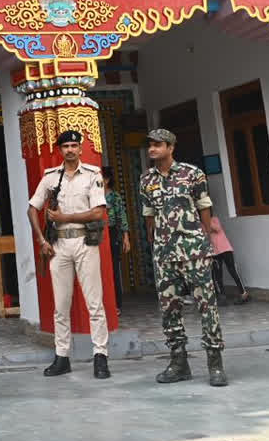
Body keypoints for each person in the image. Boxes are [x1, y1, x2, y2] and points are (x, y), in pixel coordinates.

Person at [139, 128, 228, 387]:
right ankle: (179, 362)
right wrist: (152, 242)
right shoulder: (146, 180)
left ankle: (215, 363)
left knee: (206, 306)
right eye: (150, 145)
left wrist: (207, 240)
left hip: (194, 251)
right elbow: (148, 214)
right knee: (169, 309)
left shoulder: (192, 174)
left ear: (170, 147)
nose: (152, 149)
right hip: (165, 254)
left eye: (157, 145)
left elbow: (204, 206)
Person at [26, 130, 111, 380]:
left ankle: (100, 356)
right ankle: (62, 356)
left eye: (75, 145)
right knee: (60, 306)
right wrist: (41, 240)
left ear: (81, 148)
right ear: (60, 150)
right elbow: (32, 208)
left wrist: (66, 217)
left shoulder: (93, 175)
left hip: (85, 242)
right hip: (59, 245)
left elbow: (98, 213)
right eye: (66, 146)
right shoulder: (51, 178)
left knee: (94, 304)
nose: (71, 150)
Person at [102, 166, 132, 316]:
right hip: (97, 234)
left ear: (106, 180)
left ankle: (116, 304)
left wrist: (125, 237)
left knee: (113, 269)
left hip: (112, 233)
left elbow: (122, 217)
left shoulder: (114, 197)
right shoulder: (92, 196)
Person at [208, 209, 250, 306]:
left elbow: (217, 228)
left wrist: (207, 222)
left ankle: (243, 294)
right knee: (217, 275)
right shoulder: (201, 224)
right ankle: (222, 297)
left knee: (233, 271)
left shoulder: (214, 219)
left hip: (226, 249)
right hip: (215, 253)